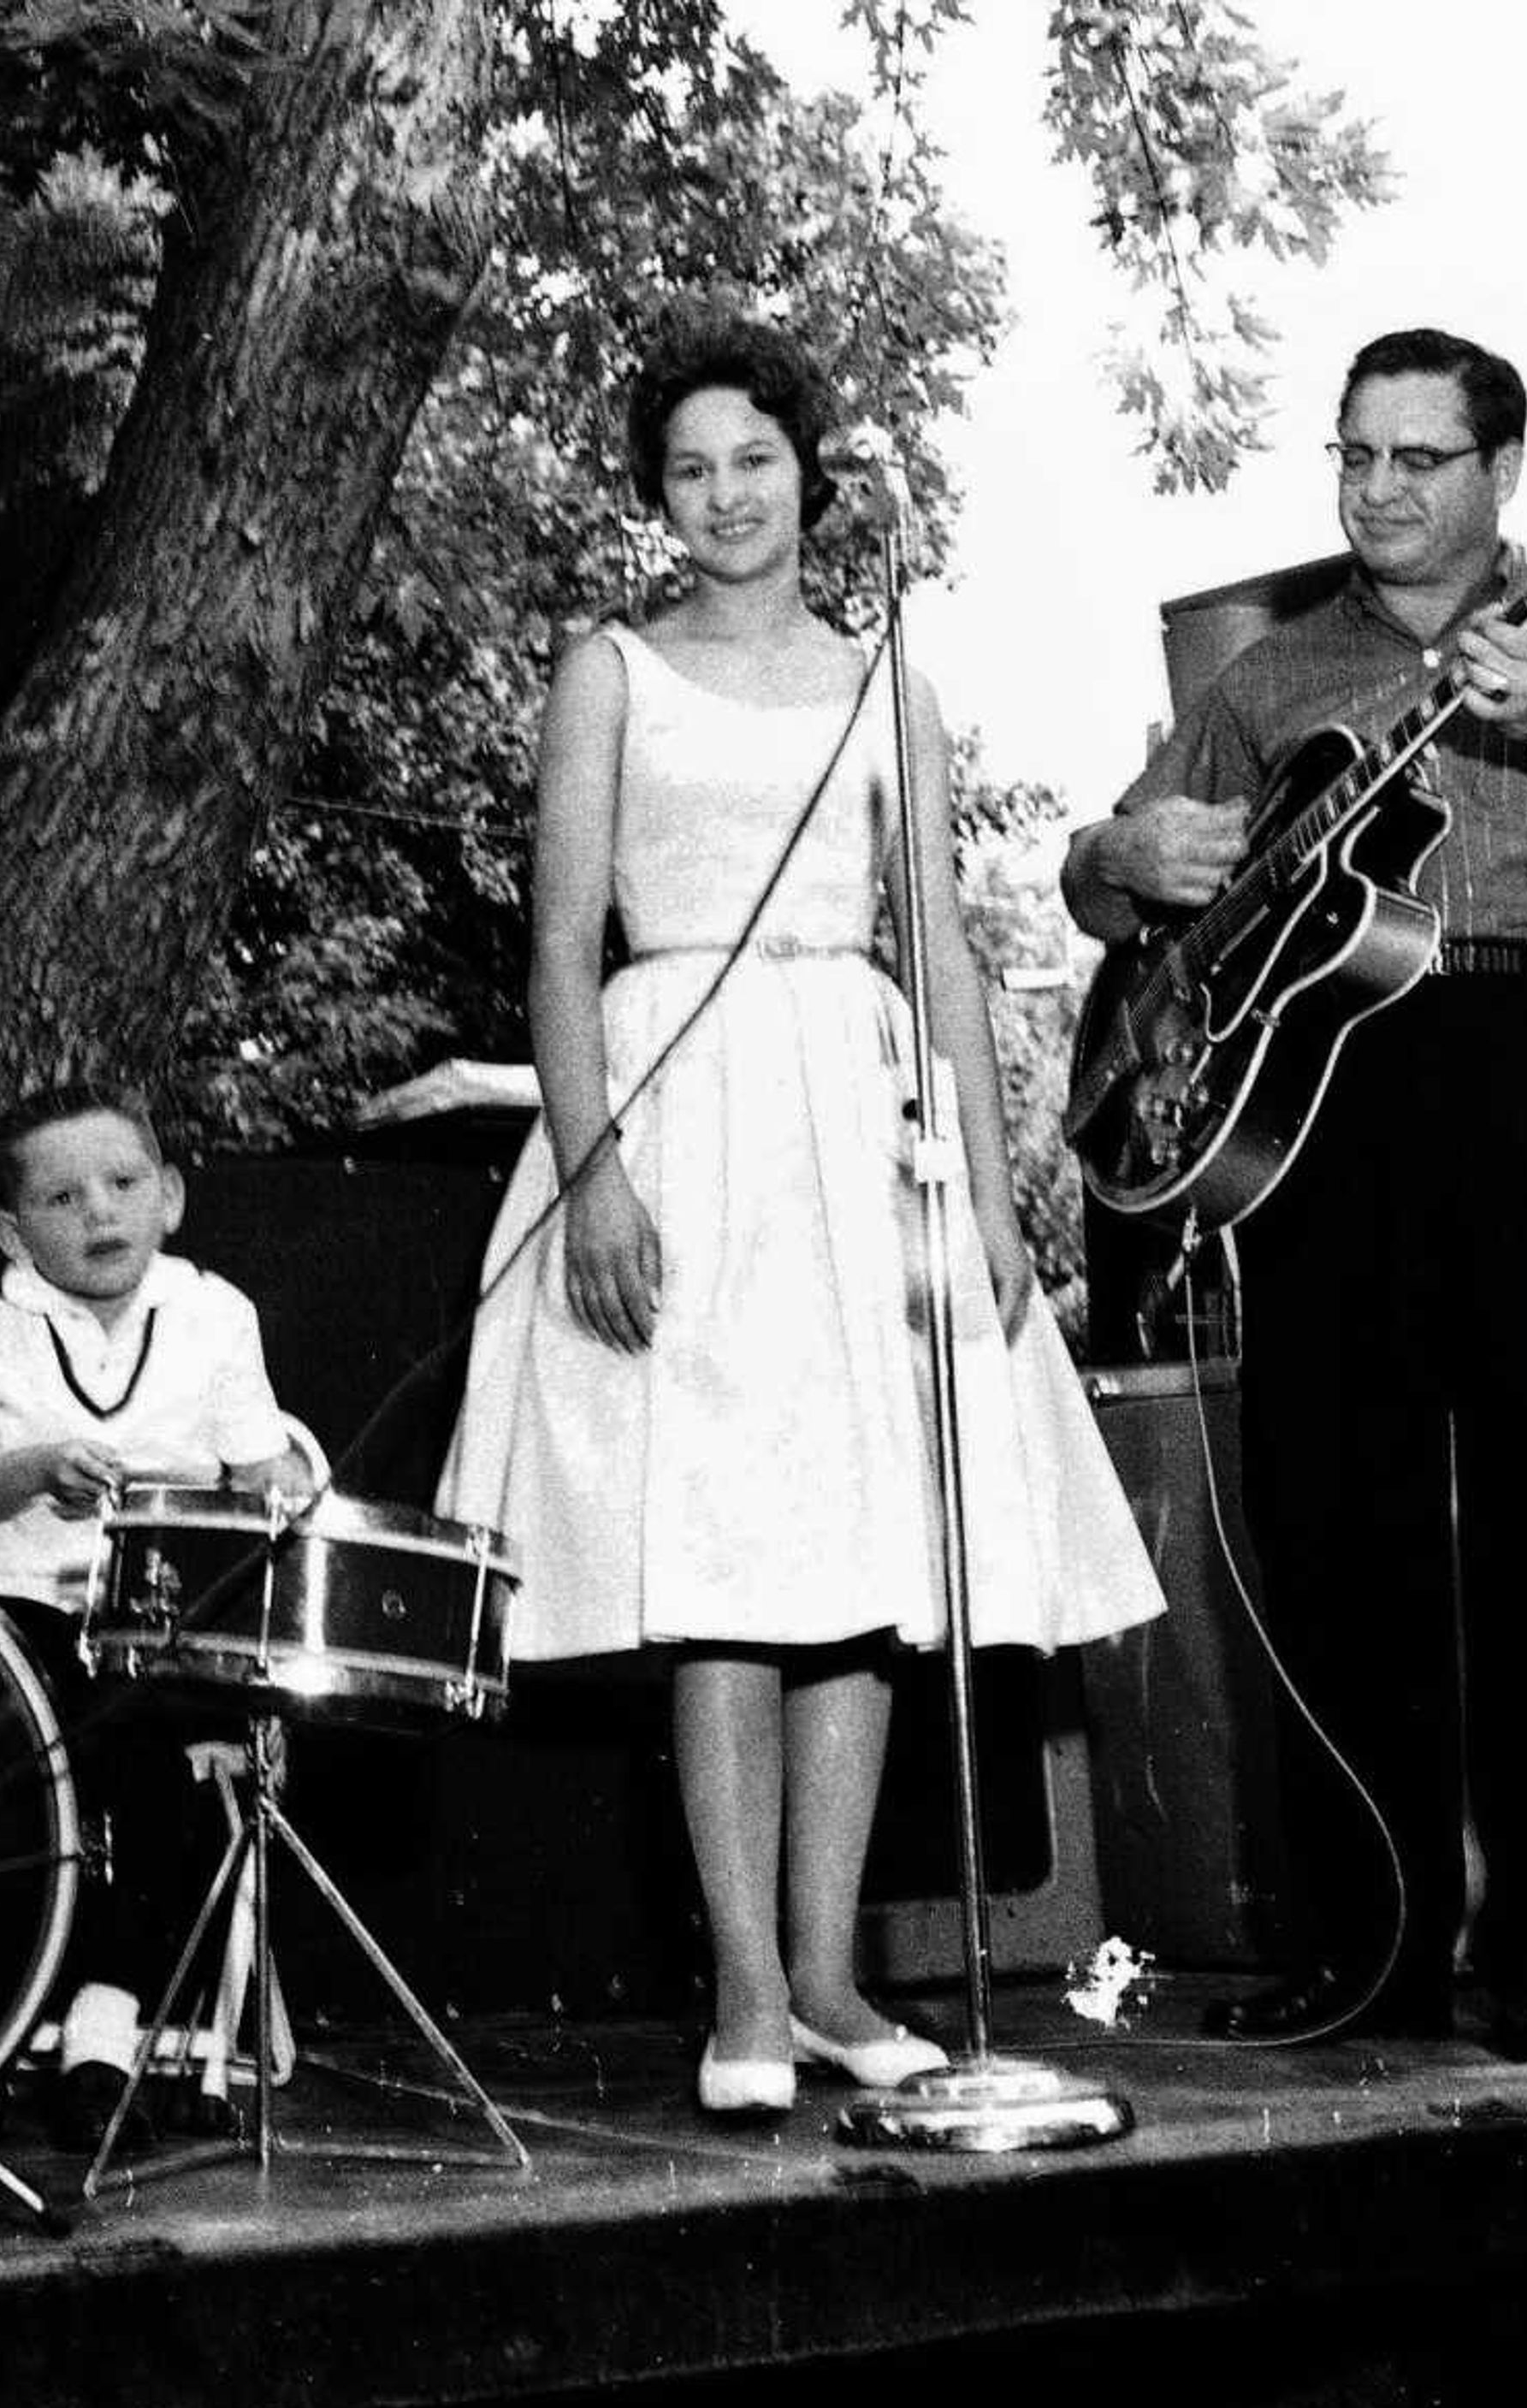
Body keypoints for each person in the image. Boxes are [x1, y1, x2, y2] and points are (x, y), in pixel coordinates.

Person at [436, 315, 1160, 2117]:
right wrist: (592, 1169)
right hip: (680, 1111)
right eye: (688, 469)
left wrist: (998, 1202)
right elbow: (555, 946)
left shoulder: (883, 675)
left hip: (857, 1115)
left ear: (809, 472)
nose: (726, 496)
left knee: (863, 1556)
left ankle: (835, 1974)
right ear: (655, 499)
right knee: (719, 1557)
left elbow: (943, 939)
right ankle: (745, 1990)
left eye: (753, 458)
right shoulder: (608, 666)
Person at [1065, 328, 1527, 2063]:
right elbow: (1110, 878)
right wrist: (1127, 862)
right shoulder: (1270, 676)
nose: (1375, 491)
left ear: (1502, 474)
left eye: (1415, 459)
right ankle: (1364, 1948)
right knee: (1331, 1522)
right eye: (1353, 456)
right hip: (1319, 1096)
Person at [0, 1085, 313, 2144]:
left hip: (169, 1620)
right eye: (63, 1197)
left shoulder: (216, 1312)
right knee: (105, 1725)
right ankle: (93, 2030)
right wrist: (31, 1474)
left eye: (123, 1185)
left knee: (170, 1726)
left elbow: (265, 1481)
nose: (99, 1214)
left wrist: (266, 1506)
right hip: (22, 1611)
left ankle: (105, 2031)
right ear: (9, 1228)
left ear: (170, 1196)